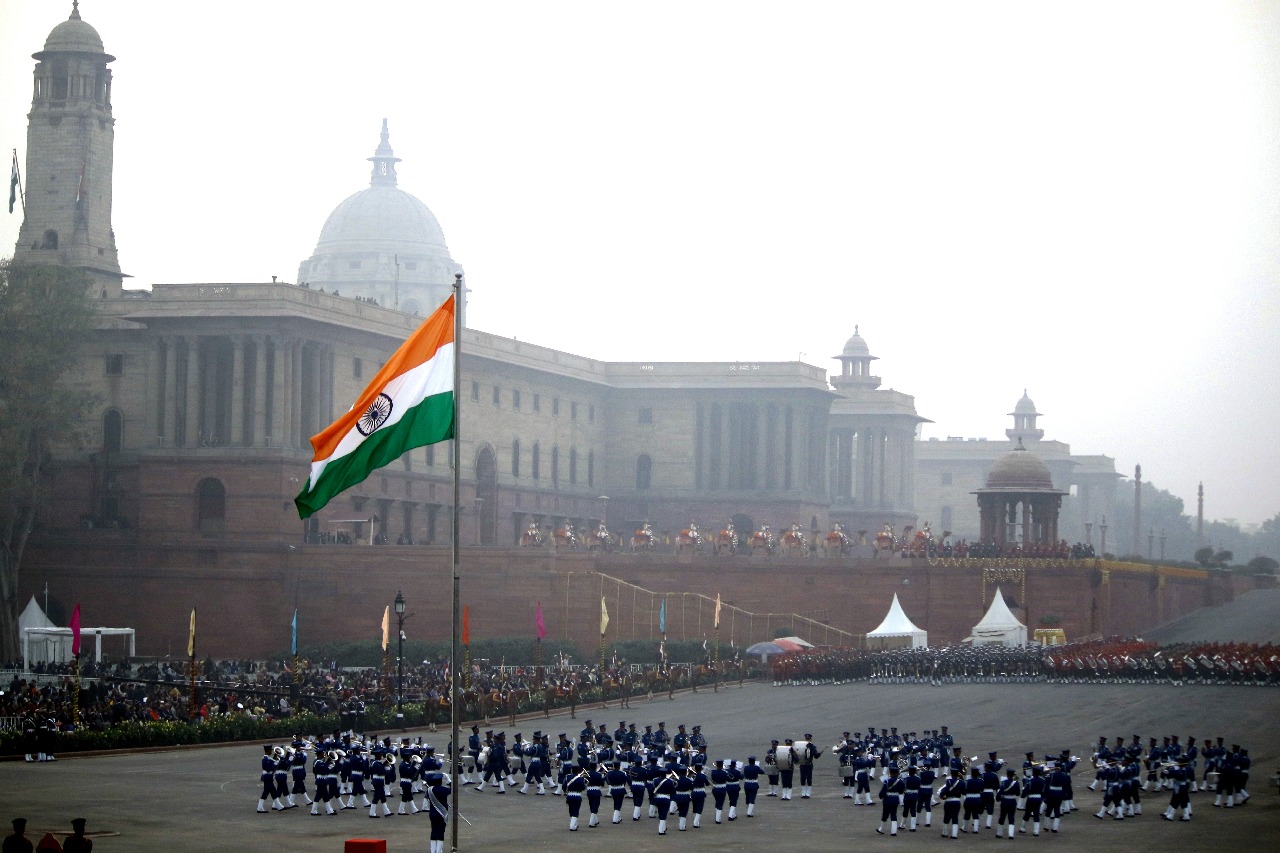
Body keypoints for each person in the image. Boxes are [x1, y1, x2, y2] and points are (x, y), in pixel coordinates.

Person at [424, 772, 451, 853]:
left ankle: (433, 850)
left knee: (434, 831)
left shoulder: (429, 790)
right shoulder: (444, 790)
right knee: (441, 831)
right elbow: (453, 789)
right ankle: (438, 850)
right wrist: (449, 781)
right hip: (442, 814)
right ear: (441, 781)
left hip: (432, 813)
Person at [877, 765, 906, 835]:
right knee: (894, 814)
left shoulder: (886, 781)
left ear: (890, 773)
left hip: (887, 799)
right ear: (897, 773)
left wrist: (881, 796)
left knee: (885, 814)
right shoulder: (901, 782)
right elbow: (902, 791)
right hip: (895, 799)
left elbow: (883, 791)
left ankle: (882, 829)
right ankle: (894, 831)